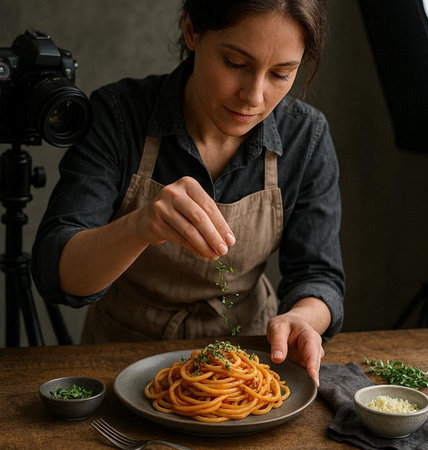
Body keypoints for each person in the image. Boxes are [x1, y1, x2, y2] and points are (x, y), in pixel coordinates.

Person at [31, 0, 344, 386]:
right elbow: (57, 273)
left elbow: (318, 275)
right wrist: (139, 227)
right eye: (235, 63)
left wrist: (303, 318)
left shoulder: (305, 136)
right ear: (192, 31)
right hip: (119, 359)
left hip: (245, 357)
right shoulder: (119, 115)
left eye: (281, 74)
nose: (254, 96)